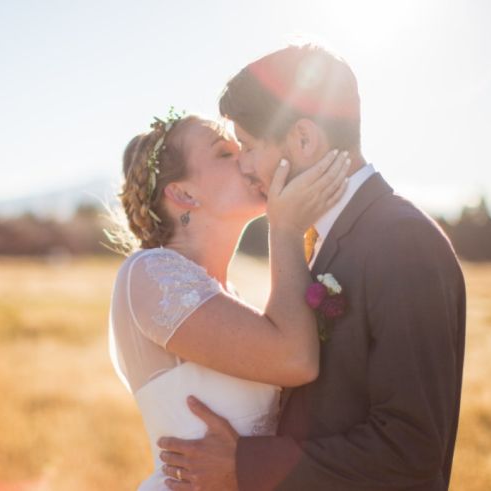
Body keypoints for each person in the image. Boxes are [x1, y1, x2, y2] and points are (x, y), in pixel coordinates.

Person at [157, 44, 467, 490]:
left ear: (303, 140)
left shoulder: (402, 241)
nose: (243, 166)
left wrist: (244, 464)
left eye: (247, 145)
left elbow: (411, 449)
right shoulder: (332, 236)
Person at [107, 109, 351, 490]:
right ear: (184, 193)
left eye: (244, 148)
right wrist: (285, 227)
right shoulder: (149, 273)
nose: (246, 159)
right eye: (225, 153)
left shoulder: (231, 299)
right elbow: (296, 360)